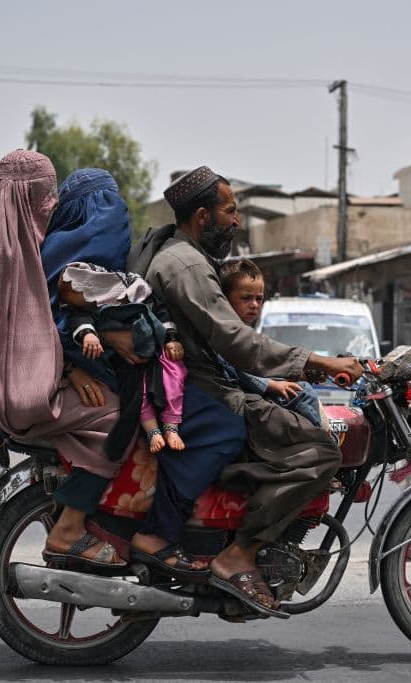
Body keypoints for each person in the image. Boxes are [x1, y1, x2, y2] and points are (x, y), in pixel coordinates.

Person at [131, 166, 362, 617]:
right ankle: (239, 555)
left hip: (203, 382)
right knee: (320, 451)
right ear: (202, 216)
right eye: (230, 210)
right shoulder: (187, 264)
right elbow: (237, 342)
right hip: (202, 388)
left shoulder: (185, 255)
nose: (236, 220)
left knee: (285, 421)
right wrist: (321, 361)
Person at [0, 152, 130, 570]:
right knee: (115, 419)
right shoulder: (8, 255)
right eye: (44, 193)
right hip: (15, 390)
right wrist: (68, 369)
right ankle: (71, 529)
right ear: (24, 194)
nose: (50, 204)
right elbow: (21, 337)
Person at [56, 261, 187, 454]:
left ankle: (171, 426)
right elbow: (81, 319)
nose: (82, 302)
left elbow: (161, 312)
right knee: (136, 393)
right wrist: (89, 335)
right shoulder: (89, 310)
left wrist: (172, 339)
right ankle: (152, 432)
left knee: (175, 375)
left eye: (81, 295)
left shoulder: (136, 289)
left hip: (157, 351)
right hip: (126, 360)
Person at [218, 258, 323, 429]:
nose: (254, 305)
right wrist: (272, 385)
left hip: (248, 392)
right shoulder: (226, 332)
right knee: (302, 393)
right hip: (240, 396)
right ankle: (317, 439)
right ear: (224, 299)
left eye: (259, 299)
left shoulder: (243, 331)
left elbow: (260, 364)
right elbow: (237, 369)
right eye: (246, 298)